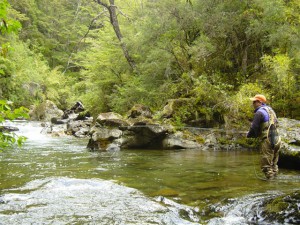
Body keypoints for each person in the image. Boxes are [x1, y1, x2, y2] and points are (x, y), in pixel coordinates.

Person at [247, 94, 281, 179]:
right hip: (277, 139)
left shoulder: (259, 113)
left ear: (260, 102)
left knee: (266, 167)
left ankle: (270, 188)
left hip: (267, 140)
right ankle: (275, 185)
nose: (253, 103)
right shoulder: (271, 111)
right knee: (273, 165)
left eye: (254, 101)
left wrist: (248, 135)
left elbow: (254, 128)